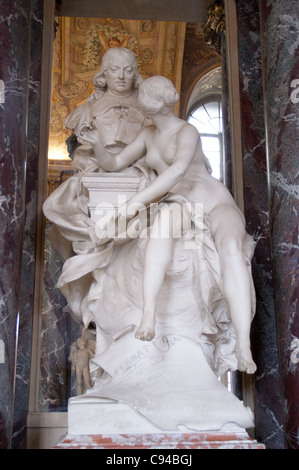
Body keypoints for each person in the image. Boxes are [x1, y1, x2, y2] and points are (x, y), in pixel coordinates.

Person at [80, 75, 257, 375]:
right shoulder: (148, 135)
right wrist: (98, 145)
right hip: (180, 203)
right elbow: (115, 162)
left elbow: (176, 171)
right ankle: (148, 314)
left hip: (214, 201)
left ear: (155, 106)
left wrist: (133, 205)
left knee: (230, 248)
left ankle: (243, 343)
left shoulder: (187, 132)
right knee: (161, 227)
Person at [43, 47, 148, 258]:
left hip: (138, 180)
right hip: (97, 180)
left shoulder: (150, 111)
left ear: (135, 74)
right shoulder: (85, 112)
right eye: (115, 69)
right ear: (104, 74)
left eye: (127, 70)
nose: (120, 76)